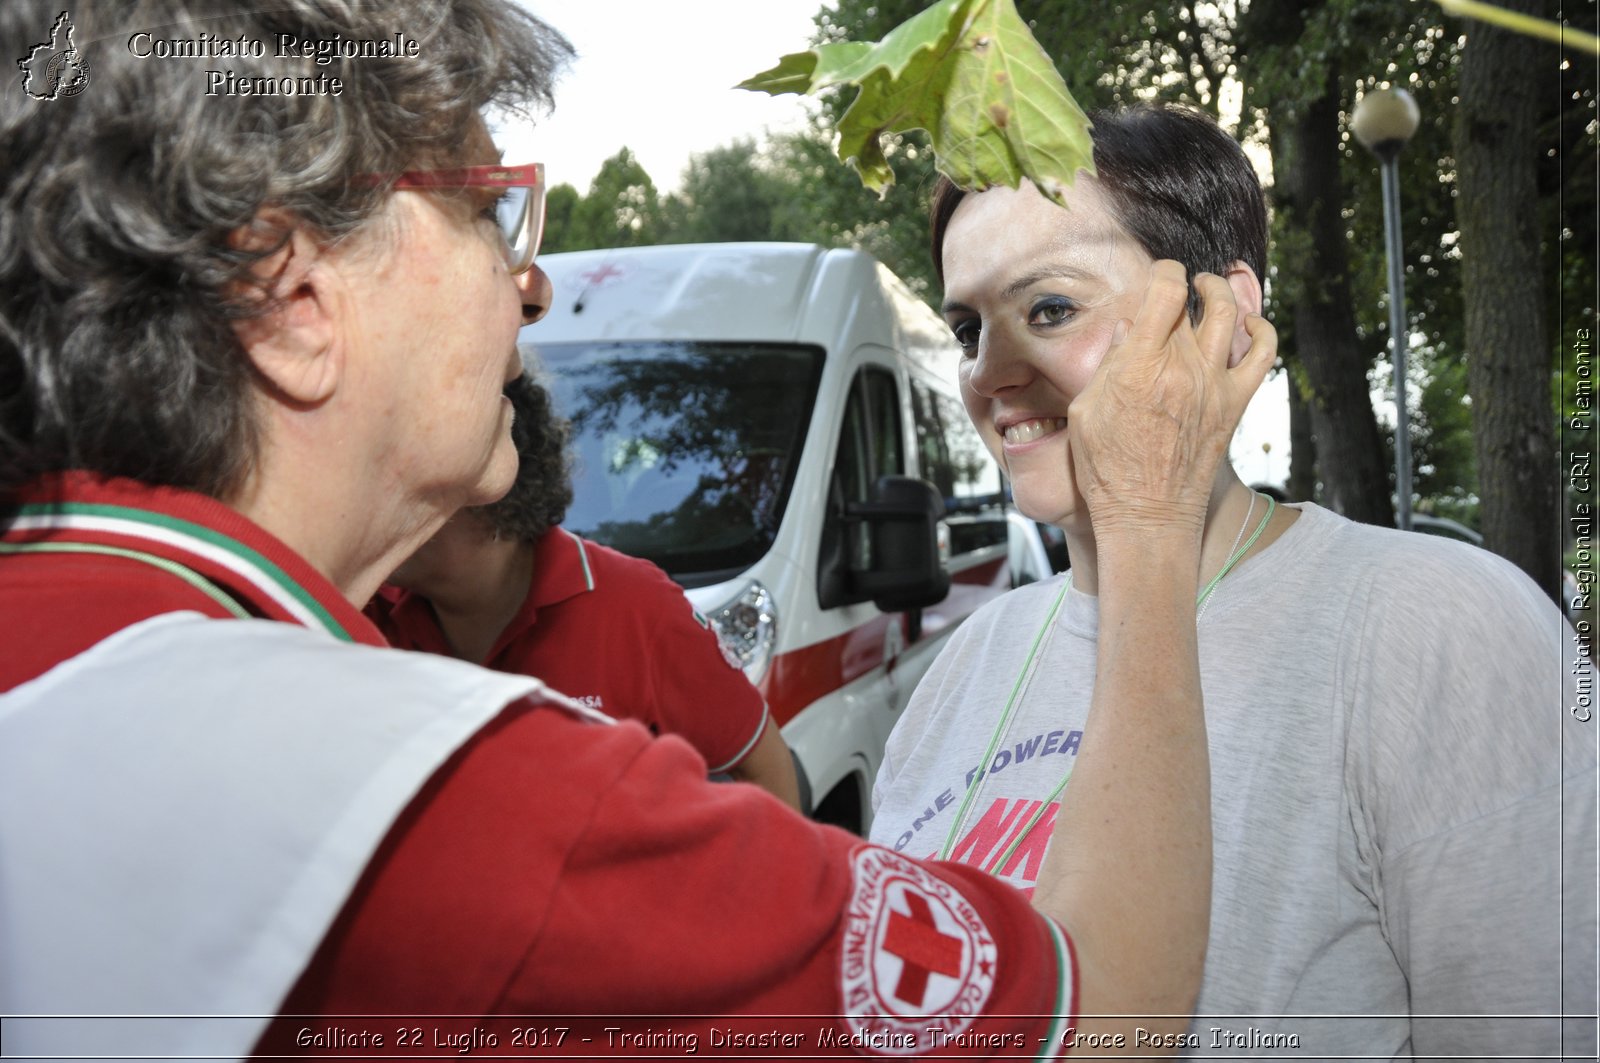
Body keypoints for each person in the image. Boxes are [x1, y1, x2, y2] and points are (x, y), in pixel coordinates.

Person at [0, 3, 1279, 1058]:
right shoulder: (456, 799)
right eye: (484, 207)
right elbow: (1108, 1007)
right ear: (289, 301)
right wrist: (1151, 526)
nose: (533, 279)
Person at [870, 104, 1599, 1057]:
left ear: (1224, 314)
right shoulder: (965, 667)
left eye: (1049, 308)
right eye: (968, 326)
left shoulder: (1445, 628)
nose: (988, 371)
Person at [368, 373, 802, 809]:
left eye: (408, 482)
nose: (379, 508)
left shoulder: (635, 606)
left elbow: (763, 764)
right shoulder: (362, 610)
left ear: (496, 485)